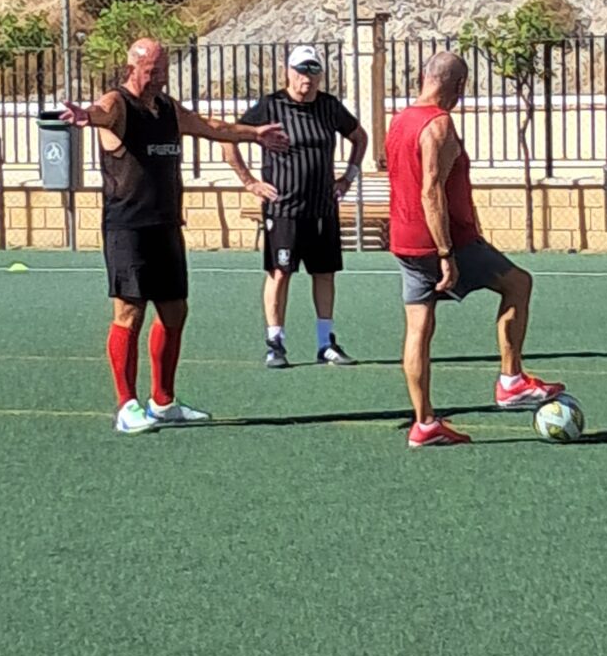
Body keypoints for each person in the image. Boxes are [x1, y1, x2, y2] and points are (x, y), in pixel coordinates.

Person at [60, 37, 289, 434]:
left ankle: (163, 401)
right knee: (129, 313)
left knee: (175, 311)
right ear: (132, 68)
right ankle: (126, 406)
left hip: (166, 225)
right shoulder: (118, 103)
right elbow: (101, 112)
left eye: (163, 71)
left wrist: (254, 134)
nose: (159, 79)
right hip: (128, 227)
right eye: (152, 72)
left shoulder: (167, 108)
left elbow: (210, 126)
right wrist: (86, 115)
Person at [385, 51, 565, 449]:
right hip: (446, 242)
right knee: (518, 284)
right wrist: (446, 253)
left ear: (424, 77)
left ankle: (425, 423)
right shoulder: (438, 124)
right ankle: (511, 381)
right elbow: (431, 190)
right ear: (459, 85)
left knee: (418, 329)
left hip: (404, 240)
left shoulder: (399, 120)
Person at [222, 44, 367, 368]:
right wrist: (249, 182)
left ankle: (325, 343)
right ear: (288, 72)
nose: (307, 78)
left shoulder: (329, 107)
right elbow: (229, 139)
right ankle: (275, 343)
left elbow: (360, 137)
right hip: (283, 209)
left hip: (322, 208)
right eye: (301, 70)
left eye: (313, 70)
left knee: (324, 273)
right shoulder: (270, 106)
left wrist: (348, 177)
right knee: (280, 273)